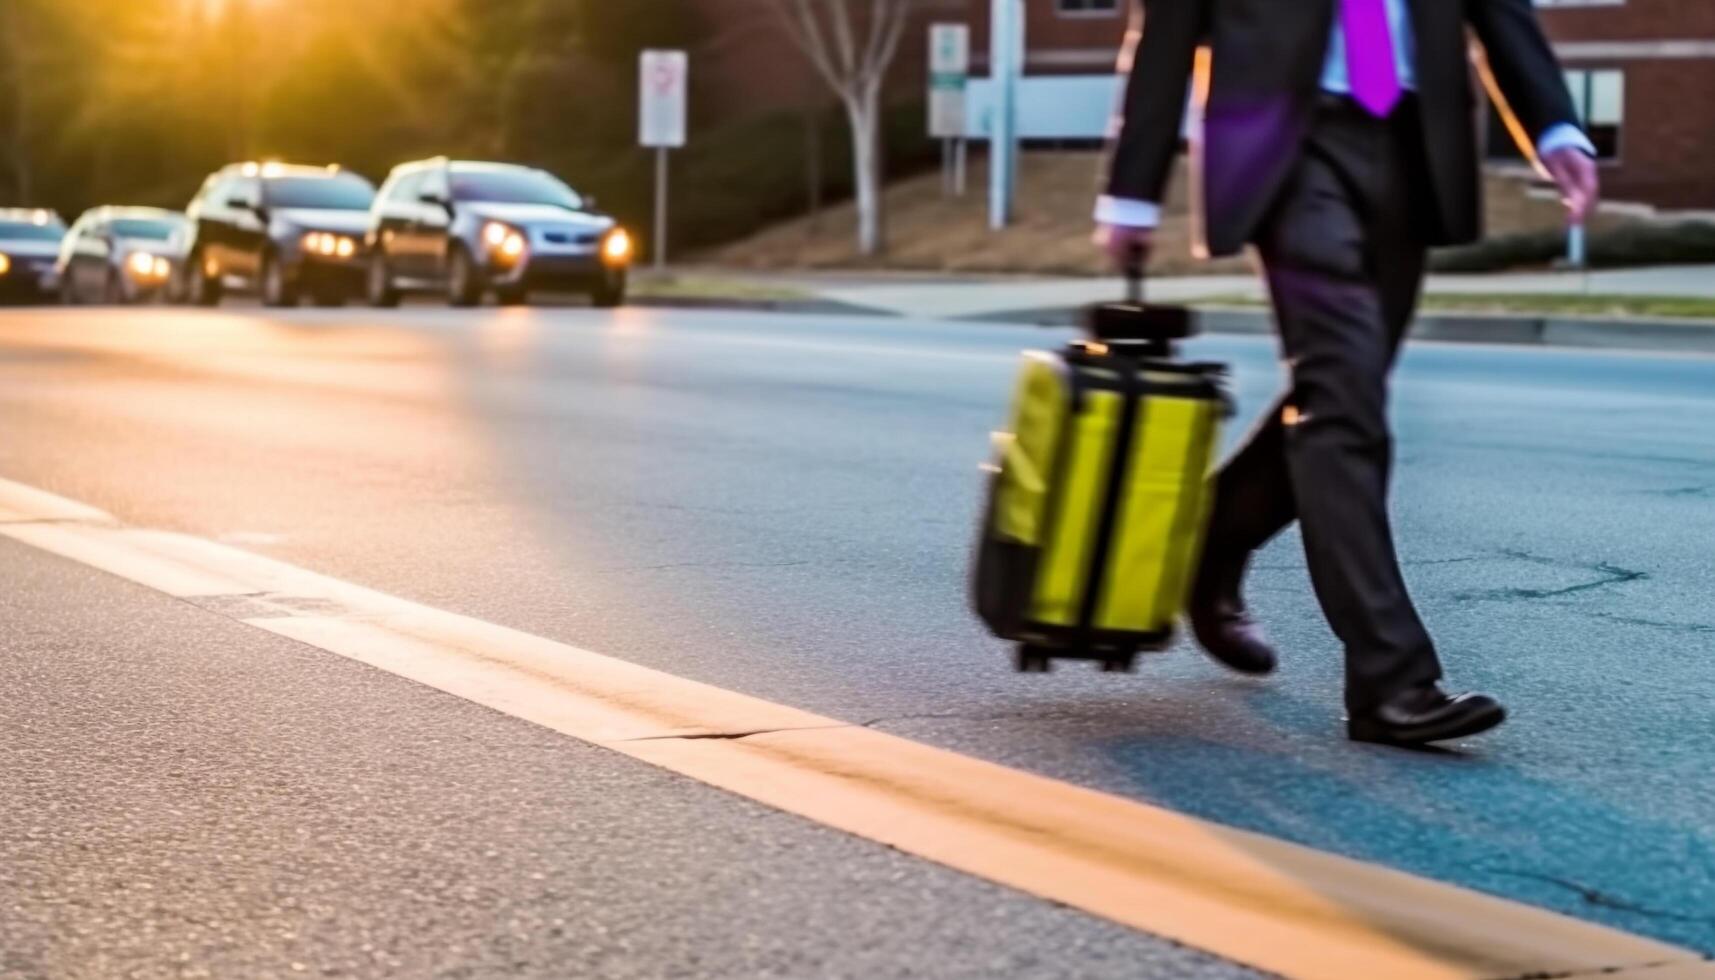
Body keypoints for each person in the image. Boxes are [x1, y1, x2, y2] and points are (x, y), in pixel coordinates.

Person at [1096, 0, 1598, 746]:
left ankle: (1205, 542)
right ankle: (1390, 678)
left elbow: (1499, 10)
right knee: (1342, 398)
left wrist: (1553, 123)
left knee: (1341, 393)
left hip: (1409, 141)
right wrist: (1131, 188)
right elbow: (1167, 24)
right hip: (1284, 143)